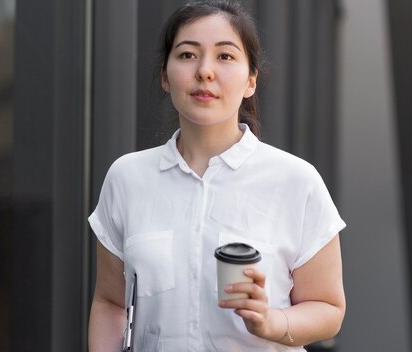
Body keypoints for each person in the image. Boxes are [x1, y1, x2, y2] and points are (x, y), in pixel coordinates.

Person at [88, 1, 346, 351]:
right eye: (187, 55)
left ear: (251, 80)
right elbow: (110, 303)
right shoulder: (127, 178)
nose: (205, 72)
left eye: (225, 56)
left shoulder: (296, 181)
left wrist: (271, 322)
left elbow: (328, 308)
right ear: (165, 76)